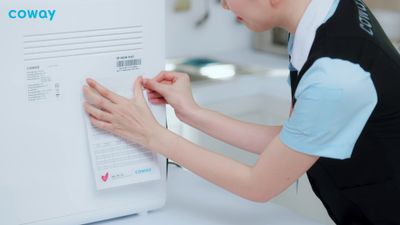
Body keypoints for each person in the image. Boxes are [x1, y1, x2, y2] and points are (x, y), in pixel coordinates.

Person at [83, 0, 400, 224]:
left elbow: (257, 184)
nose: (223, 6)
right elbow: (295, 139)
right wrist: (192, 112)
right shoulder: (324, 15)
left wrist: (152, 136)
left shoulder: (336, 75)